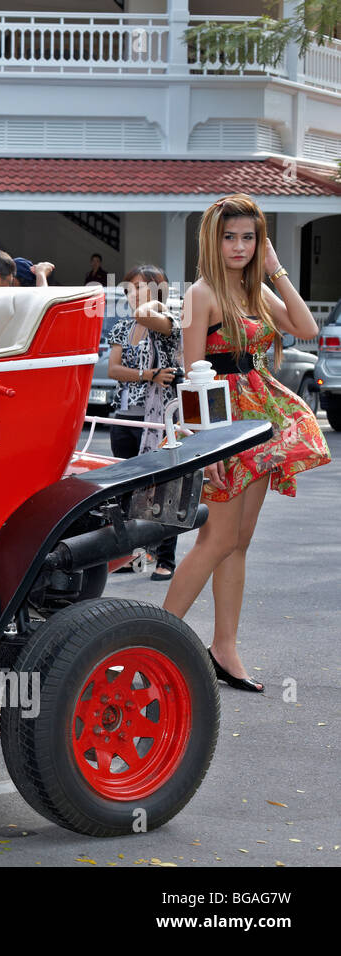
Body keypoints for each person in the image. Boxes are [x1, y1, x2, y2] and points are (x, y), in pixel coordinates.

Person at [162, 194, 330, 692]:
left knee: (238, 543)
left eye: (249, 237)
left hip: (260, 420)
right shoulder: (203, 293)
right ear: (213, 241)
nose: (239, 246)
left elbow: (305, 328)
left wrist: (276, 271)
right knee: (215, 540)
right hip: (224, 423)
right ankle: (151, 640)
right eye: (230, 237)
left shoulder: (254, 287)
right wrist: (203, 446)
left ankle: (225, 648)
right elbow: (192, 375)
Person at [106, 264, 183, 580]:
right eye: (129, 289)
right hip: (125, 417)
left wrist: (157, 300)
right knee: (125, 491)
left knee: (165, 489)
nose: (132, 294)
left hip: (160, 418)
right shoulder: (123, 328)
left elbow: (146, 314)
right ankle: (129, 554)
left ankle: (165, 558)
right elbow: (113, 370)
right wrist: (148, 375)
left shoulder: (168, 322)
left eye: (139, 287)